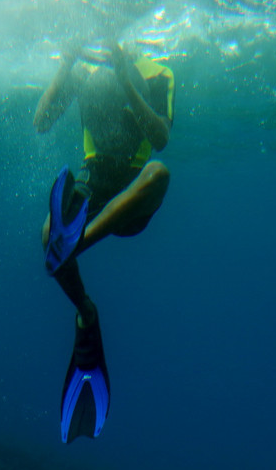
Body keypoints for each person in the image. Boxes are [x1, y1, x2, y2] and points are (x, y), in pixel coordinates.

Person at [33, 41, 174, 443]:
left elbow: (160, 137)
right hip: (92, 182)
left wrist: (127, 76)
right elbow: (42, 121)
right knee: (46, 233)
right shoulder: (84, 75)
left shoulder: (158, 74)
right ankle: (86, 311)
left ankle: (74, 243)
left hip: (131, 195)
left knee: (159, 173)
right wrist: (67, 62)